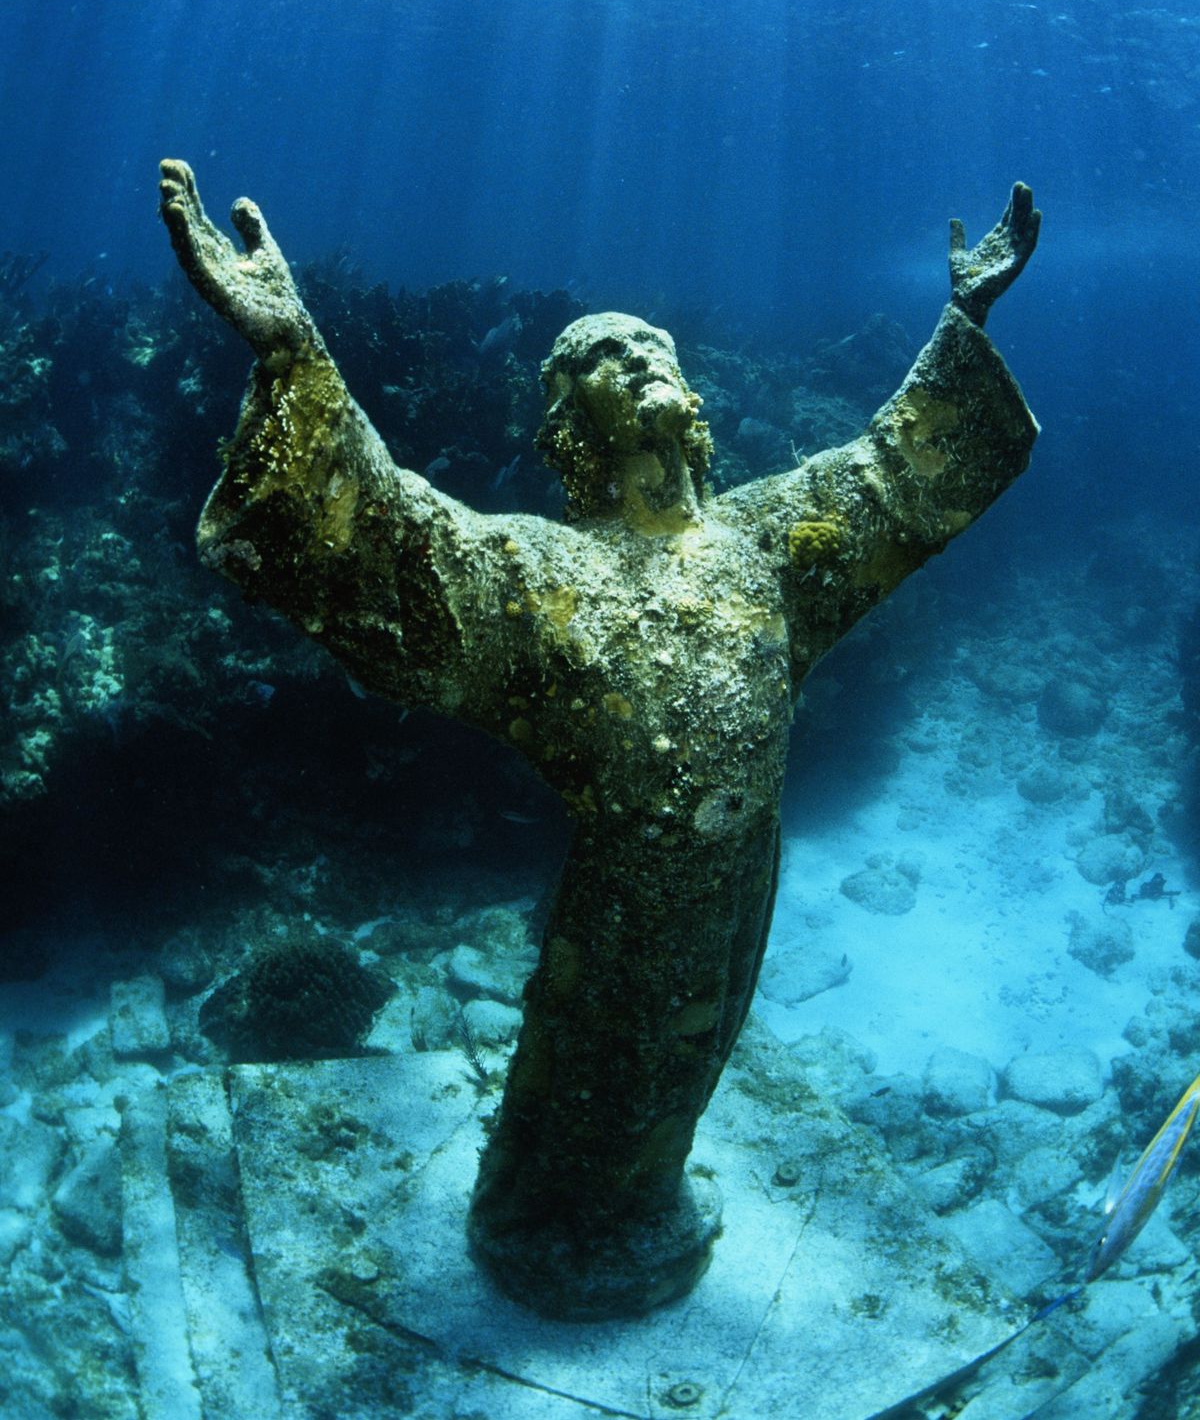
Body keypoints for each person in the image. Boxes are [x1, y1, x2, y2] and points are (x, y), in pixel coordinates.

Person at [159, 158, 1040, 1319]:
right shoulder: (546, 576)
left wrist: (962, 317)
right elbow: (403, 539)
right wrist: (293, 350)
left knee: (688, 1067)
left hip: (742, 876)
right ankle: (548, 1233)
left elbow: (889, 474)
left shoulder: (768, 539)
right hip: (629, 896)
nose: (642, 358)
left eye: (654, 345)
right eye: (603, 358)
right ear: (567, 423)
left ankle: (644, 1206)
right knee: (595, 1079)